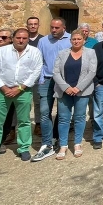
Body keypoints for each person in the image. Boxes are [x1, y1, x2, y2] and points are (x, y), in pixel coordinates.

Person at [0, 28, 42, 167]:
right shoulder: (2, 52)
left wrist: (20, 88)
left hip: (23, 91)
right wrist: (4, 88)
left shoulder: (34, 52)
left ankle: (24, 148)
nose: (21, 40)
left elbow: (35, 72)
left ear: (28, 39)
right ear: (13, 38)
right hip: (2, 91)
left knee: (24, 121)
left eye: (24, 38)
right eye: (18, 38)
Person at [52, 30, 97, 159]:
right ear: (70, 40)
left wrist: (78, 88)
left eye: (79, 39)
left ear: (83, 40)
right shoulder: (62, 53)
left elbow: (92, 72)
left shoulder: (91, 53)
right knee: (63, 119)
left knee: (79, 118)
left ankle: (77, 143)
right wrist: (66, 87)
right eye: (74, 39)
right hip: (64, 91)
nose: (76, 41)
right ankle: (63, 145)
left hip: (82, 91)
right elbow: (55, 73)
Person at [33, 18, 71, 162]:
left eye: (57, 28)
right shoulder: (43, 41)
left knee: (63, 112)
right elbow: (39, 61)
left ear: (64, 28)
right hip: (47, 80)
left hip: (63, 81)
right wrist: (41, 79)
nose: (53, 30)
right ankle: (46, 142)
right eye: (52, 27)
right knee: (44, 111)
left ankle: (61, 140)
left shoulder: (70, 40)